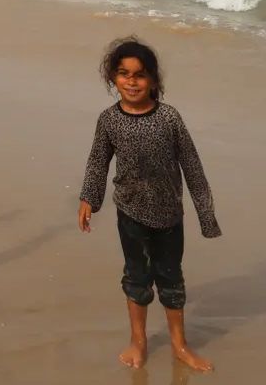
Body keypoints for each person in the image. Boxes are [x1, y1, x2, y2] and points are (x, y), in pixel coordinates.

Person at [77, 38, 220, 373]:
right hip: (130, 213)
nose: (131, 81)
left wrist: (206, 213)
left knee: (171, 280)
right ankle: (138, 342)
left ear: (154, 80)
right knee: (137, 278)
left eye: (140, 75)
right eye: (124, 74)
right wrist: (89, 198)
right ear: (113, 78)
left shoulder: (169, 118)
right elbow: (98, 161)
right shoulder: (109, 120)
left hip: (170, 215)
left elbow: (193, 166)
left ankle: (180, 345)